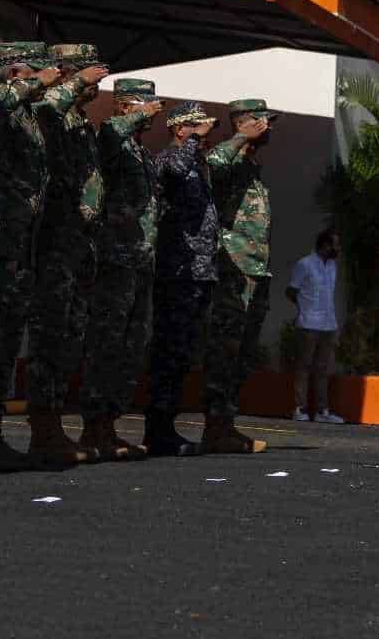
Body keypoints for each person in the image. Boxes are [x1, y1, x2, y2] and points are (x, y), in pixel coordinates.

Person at [0, 41, 72, 474]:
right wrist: (38, 84)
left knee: (4, 345)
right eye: (38, 74)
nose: (49, 80)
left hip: (22, 246)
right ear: (17, 71)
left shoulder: (33, 117)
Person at [26, 43, 107, 466]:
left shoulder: (81, 122)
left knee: (69, 341)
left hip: (80, 245)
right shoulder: (47, 109)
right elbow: (42, 113)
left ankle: (55, 426)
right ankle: (44, 430)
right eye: (84, 71)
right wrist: (73, 81)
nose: (95, 78)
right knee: (49, 339)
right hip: (54, 243)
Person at [79, 78, 165, 460]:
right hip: (115, 259)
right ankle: (92, 427)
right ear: (126, 106)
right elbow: (109, 136)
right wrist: (134, 117)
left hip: (140, 260)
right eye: (143, 106)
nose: (152, 113)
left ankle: (109, 425)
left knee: (131, 347)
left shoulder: (139, 151)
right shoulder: (112, 138)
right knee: (106, 344)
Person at [144, 101, 220, 457]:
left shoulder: (197, 165)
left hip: (198, 273)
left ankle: (166, 427)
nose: (205, 134)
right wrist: (193, 141)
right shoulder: (170, 158)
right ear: (180, 129)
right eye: (197, 127)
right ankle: (157, 429)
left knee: (183, 354)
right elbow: (172, 171)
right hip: (176, 272)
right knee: (168, 352)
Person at [202, 98, 275, 454]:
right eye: (263, 122)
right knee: (225, 351)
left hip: (255, 270)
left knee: (242, 354)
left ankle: (226, 425)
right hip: (232, 268)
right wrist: (238, 139)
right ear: (245, 123)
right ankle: (215, 427)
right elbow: (210, 165)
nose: (270, 128)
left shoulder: (251, 165)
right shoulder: (227, 158)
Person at [287, 229, 344, 424]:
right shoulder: (305, 264)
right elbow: (291, 290)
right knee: (303, 366)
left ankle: (322, 411)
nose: (337, 249)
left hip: (328, 324)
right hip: (309, 323)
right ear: (325, 245)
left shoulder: (332, 266)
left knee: (323, 368)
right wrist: (305, 307)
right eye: (335, 244)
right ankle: (299, 408)